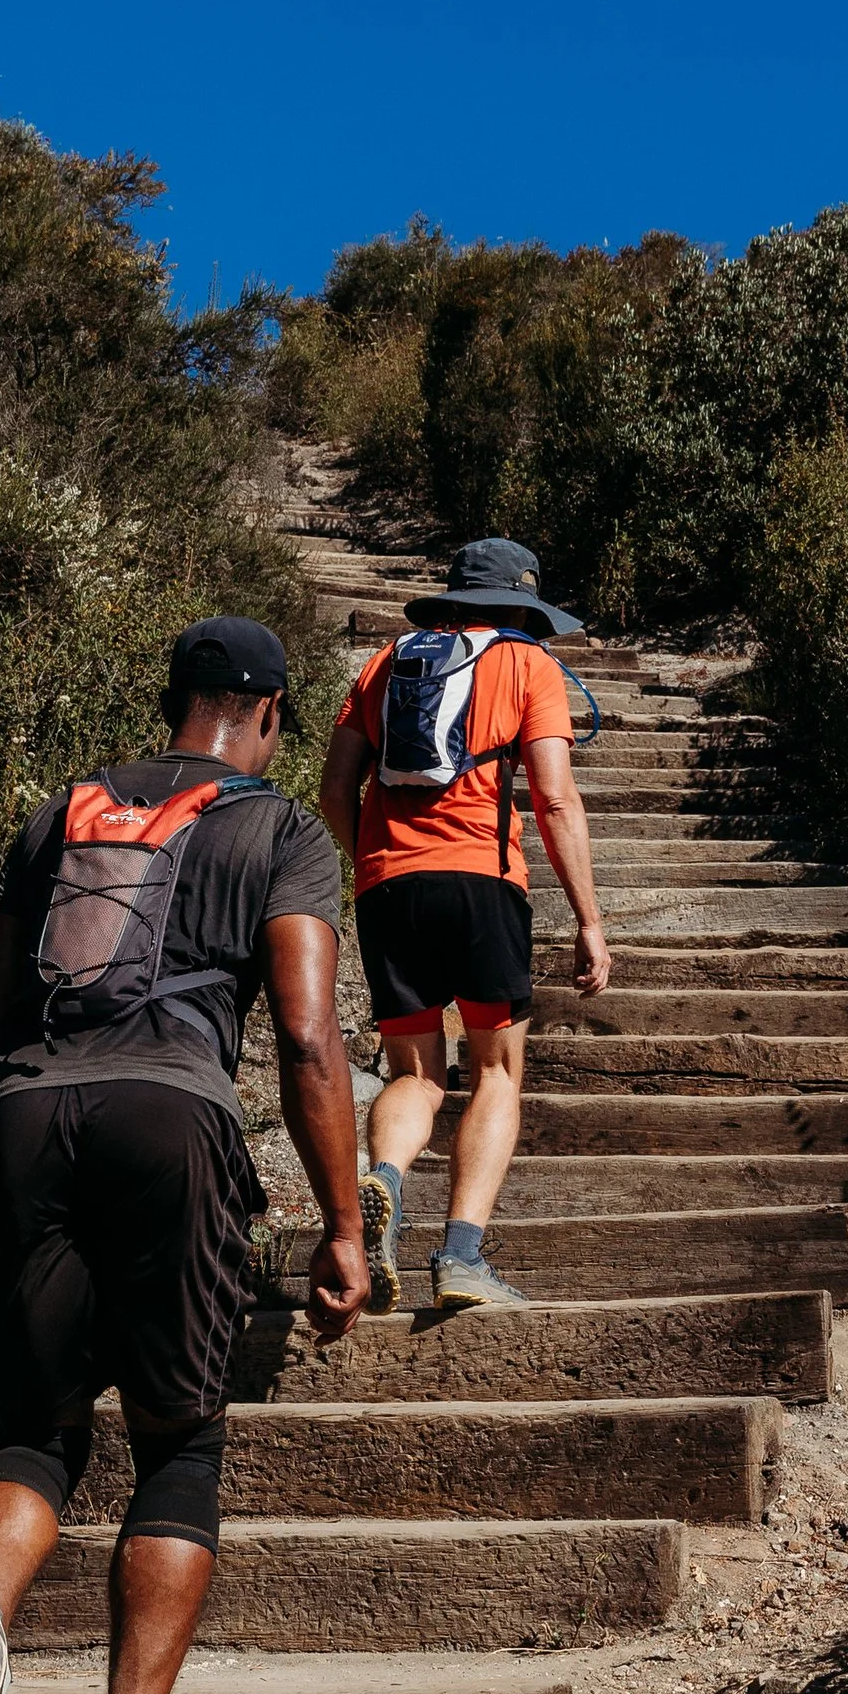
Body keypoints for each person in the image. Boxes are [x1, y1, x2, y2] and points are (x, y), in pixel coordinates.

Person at [0, 616, 369, 1694]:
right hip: (173, 1118)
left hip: (25, 1115)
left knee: (30, 1430)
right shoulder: (279, 830)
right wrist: (343, 1221)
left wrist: (28, 1115)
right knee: (177, 1446)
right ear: (271, 717)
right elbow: (311, 1037)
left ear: (173, 701)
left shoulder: (61, 813)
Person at [319, 537, 612, 1314]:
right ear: (521, 608)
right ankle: (459, 1257)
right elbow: (552, 799)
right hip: (483, 884)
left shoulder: (388, 662)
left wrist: (374, 863)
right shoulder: (528, 665)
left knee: (415, 1073)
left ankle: (383, 1181)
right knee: (496, 1072)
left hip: (391, 888)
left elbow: (333, 785)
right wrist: (588, 920)